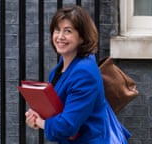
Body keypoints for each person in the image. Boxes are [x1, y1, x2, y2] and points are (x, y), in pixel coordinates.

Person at [25, 5, 131, 144]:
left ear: (82, 37)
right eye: (57, 30)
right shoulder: (62, 67)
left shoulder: (84, 73)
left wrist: (41, 122)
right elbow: (59, 110)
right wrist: (37, 116)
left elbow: (67, 126)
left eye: (67, 31)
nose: (60, 37)